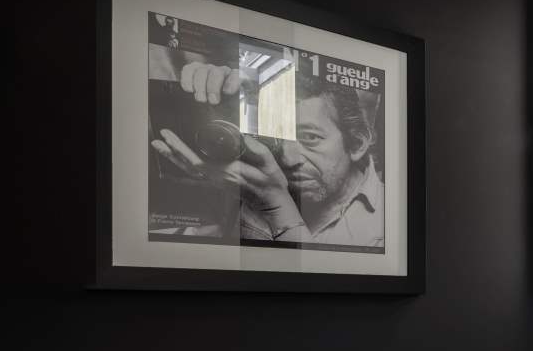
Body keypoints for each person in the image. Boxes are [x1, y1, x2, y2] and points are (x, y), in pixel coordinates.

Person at [151, 61, 384, 248]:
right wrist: (207, 93)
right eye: (277, 138)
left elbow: (320, 293)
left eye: (310, 138)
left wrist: (273, 202)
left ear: (357, 144)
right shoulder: (244, 179)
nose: (288, 159)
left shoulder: (392, 222)